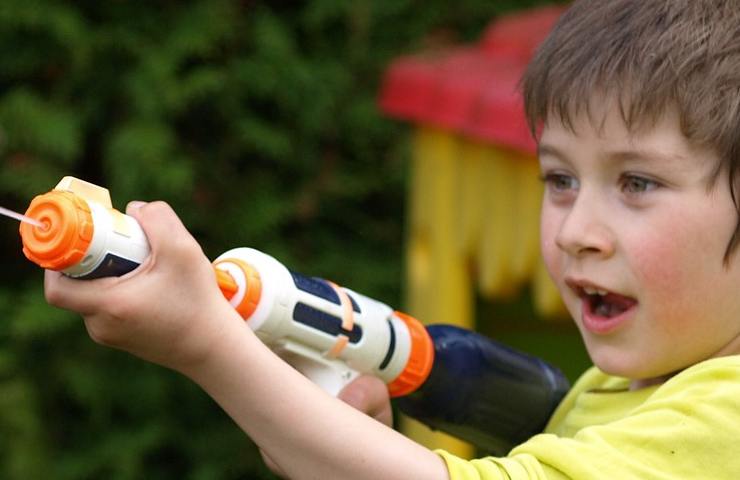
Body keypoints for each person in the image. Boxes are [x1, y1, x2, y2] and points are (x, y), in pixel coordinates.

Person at [43, 0, 740, 478]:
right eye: (559, 178)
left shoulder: (728, 415)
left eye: (638, 184)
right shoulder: (630, 385)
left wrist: (205, 343)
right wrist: (352, 447)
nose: (578, 232)